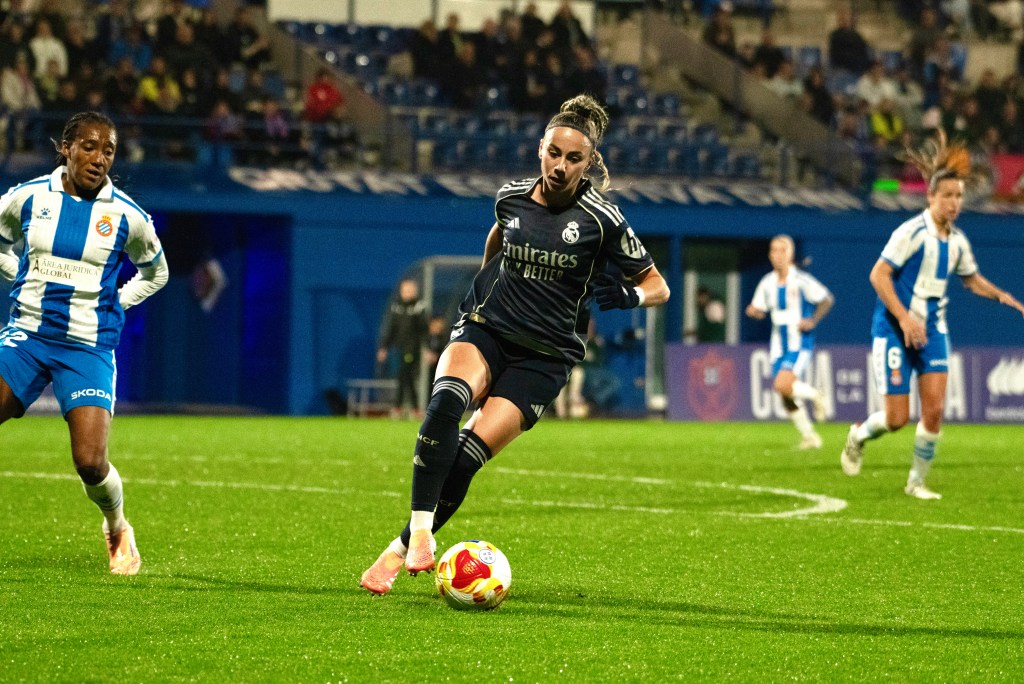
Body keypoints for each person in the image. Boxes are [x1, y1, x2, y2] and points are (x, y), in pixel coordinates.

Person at [360, 94, 670, 595]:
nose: (560, 165)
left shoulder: (602, 219)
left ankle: (394, 553)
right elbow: (497, 240)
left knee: (465, 458)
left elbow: (660, 285)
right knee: (444, 404)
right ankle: (421, 534)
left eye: (573, 158)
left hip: (545, 356)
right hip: (488, 327)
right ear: (540, 149)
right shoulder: (511, 198)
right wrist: (482, 284)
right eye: (553, 153)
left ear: (589, 163)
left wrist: (631, 295)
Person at [0, 111, 169, 574]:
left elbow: (158, 272)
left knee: (90, 462)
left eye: (108, 150)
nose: (99, 158)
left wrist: (118, 300)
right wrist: (19, 276)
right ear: (66, 148)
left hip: (86, 346)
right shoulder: (28, 197)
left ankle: (116, 526)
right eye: (89, 147)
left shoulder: (127, 216)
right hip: (28, 336)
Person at [840, 131, 1024, 500]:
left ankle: (916, 482)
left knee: (936, 410)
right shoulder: (910, 232)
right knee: (896, 420)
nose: (955, 203)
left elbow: (970, 280)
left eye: (959, 196)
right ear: (931, 197)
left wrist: (1002, 295)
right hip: (893, 329)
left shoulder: (957, 242)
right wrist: (905, 319)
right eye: (948, 196)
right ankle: (858, 435)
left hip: (933, 331)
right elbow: (878, 274)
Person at [746, 235, 832, 450]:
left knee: (782, 385)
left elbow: (826, 299)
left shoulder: (801, 280)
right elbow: (760, 309)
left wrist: (812, 320)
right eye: (773, 251)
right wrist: (755, 312)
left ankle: (816, 394)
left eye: (781, 250)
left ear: (790, 254)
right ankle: (810, 436)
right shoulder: (767, 282)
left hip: (799, 344)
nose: (777, 255)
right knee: (785, 396)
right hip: (778, 346)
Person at [377, 278, 429, 419]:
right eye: (405, 290)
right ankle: (412, 409)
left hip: (413, 349)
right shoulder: (396, 307)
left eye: (410, 289)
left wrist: (427, 349)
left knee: (405, 376)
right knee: (405, 377)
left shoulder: (419, 307)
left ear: (415, 290)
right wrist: (384, 347)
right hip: (398, 350)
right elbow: (391, 329)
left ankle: (401, 408)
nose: (407, 292)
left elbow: (424, 330)